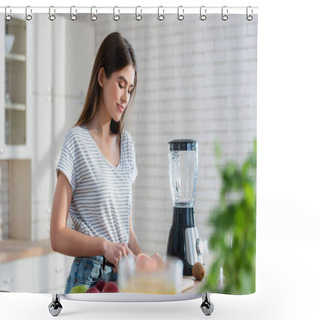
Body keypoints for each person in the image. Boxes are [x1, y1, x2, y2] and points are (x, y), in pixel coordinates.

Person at [50, 32, 142, 294]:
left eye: (130, 89)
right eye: (121, 84)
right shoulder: (76, 141)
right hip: (89, 283)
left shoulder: (128, 145)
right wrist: (104, 246)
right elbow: (57, 235)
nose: (126, 97)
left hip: (122, 282)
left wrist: (145, 263)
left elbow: (126, 231)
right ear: (102, 77)